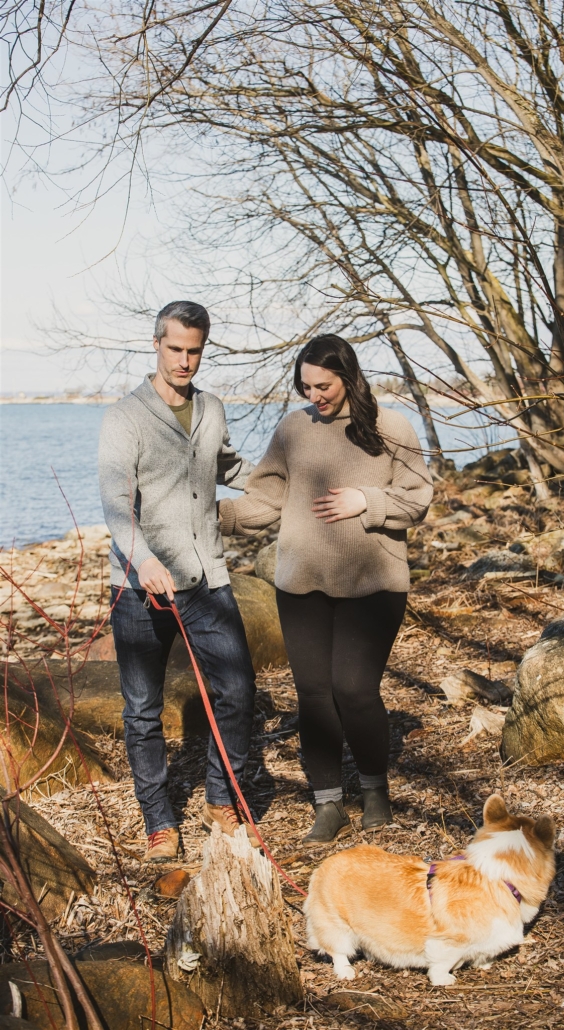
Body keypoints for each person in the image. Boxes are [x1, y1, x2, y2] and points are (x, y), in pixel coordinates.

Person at [218, 334, 433, 843]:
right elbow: (265, 502)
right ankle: (329, 804)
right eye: (306, 386)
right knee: (314, 695)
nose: (315, 395)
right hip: (301, 586)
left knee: (354, 690)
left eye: (324, 385)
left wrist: (367, 500)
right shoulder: (294, 429)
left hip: (374, 583)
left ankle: (375, 791)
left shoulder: (390, 426)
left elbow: (418, 498)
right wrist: (210, 516)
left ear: (349, 376)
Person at [99, 300, 257, 864]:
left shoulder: (211, 408)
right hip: (139, 589)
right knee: (142, 710)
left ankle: (221, 799)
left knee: (237, 692)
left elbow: (228, 466)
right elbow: (116, 504)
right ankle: (159, 823)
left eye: (195, 350)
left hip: (206, 578)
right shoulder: (125, 417)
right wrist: (141, 559)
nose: (185, 360)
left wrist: (285, 483)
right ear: (156, 344)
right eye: (176, 349)